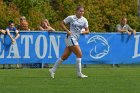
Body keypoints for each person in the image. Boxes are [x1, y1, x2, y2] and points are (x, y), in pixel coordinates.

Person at [49, 6, 90, 78]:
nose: (82, 12)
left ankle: (52, 70)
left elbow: (88, 31)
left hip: (76, 39)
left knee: (65, 56)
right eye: (80, 11)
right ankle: (79, 74)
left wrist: (82, 32)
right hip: (70, 38)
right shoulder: (71, 17)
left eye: (83, 11)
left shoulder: (84, 20)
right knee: (79, 54)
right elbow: (61, 23)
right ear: (76, 11)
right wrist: (67, 31)